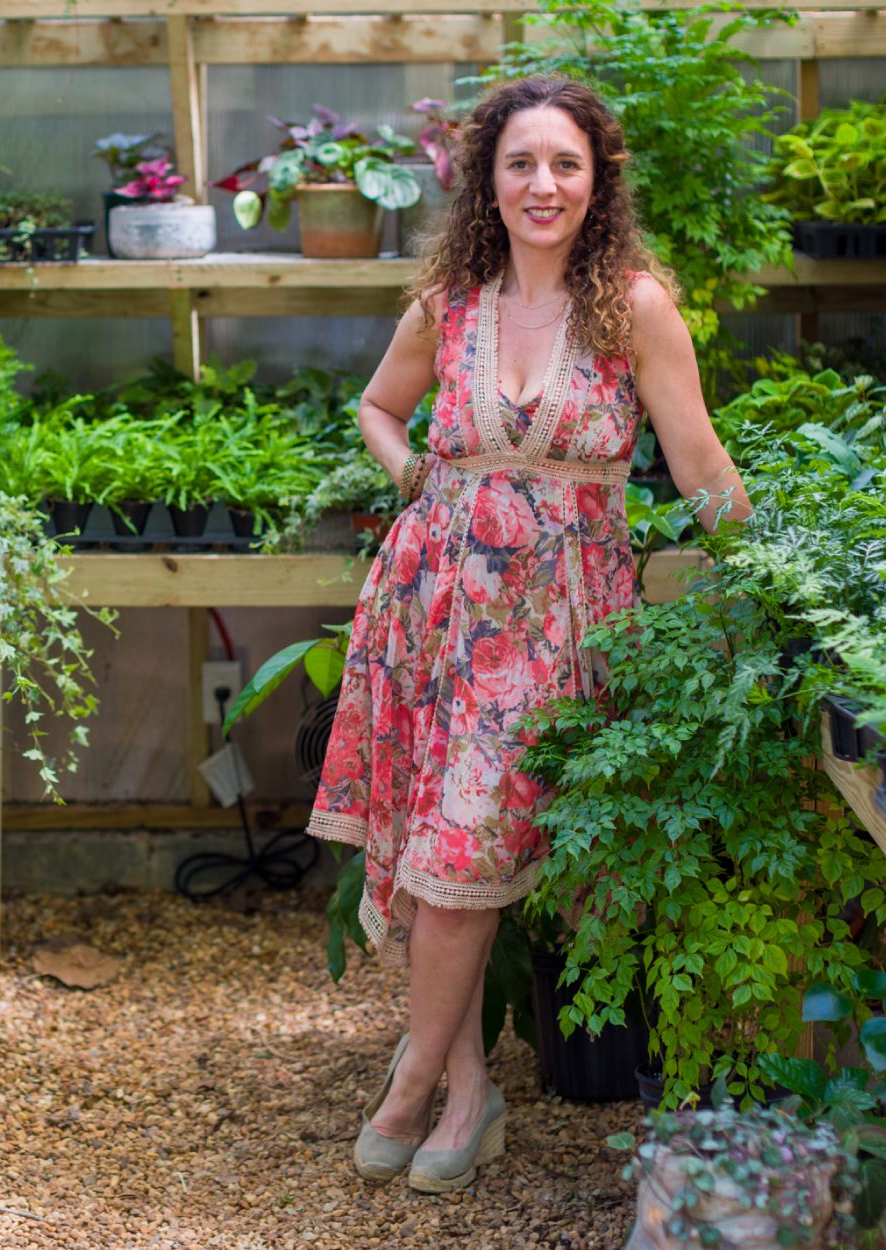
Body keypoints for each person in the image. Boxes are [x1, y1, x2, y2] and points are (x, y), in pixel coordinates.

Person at [305, 76, 753, 1194]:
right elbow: (377, 407)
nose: (541, 184)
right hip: (432, 609)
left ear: (597, 182)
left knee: (464, 853)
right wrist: (416, 476)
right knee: (433, 851)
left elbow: (700, 463)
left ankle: (413, 1079)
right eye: (520, 163)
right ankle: (467, 1091)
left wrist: (777, 584)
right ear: (488, 182)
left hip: (555, 627)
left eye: (565, 163)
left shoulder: (634, 307)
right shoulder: (449, 303)